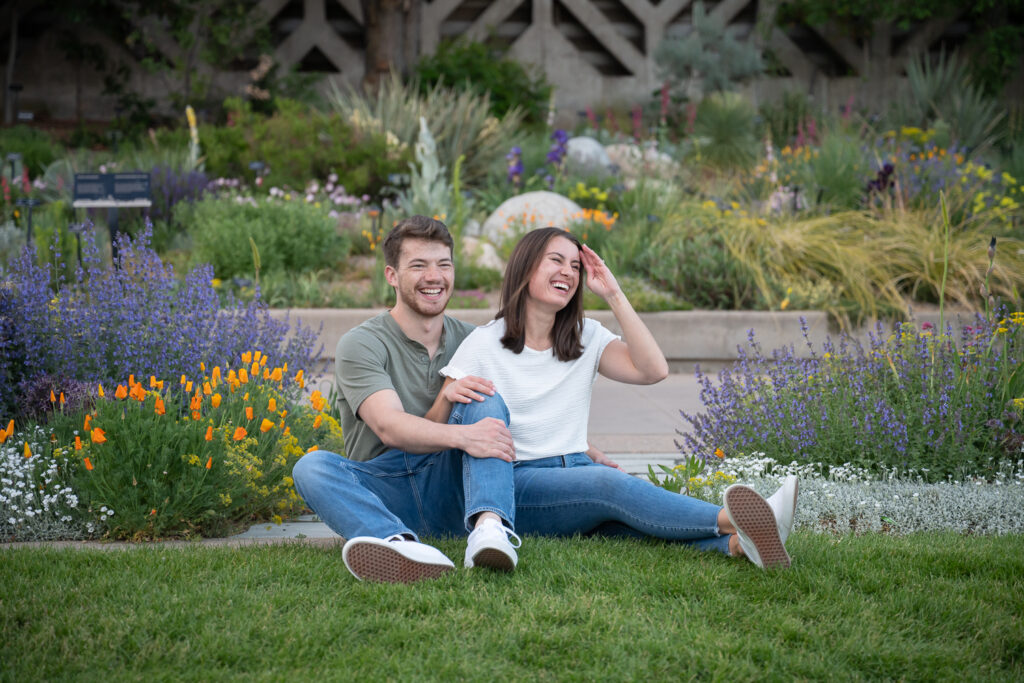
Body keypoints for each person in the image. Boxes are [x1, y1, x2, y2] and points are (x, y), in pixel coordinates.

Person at [431, 227, 799, 570]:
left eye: (575, 266)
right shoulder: (484, 343)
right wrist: (447, 396)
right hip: (520, 484)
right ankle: (739, 519)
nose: (568, 272)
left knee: (623, 523)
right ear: (525, 269)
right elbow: (433, 432)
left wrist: (613, 294)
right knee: (609, 486)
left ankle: (735, 545)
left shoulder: (585, 337)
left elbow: (653, 370)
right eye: (556, 260)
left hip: (576, 469)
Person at [292, 215, 525, 583]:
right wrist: (464, 433)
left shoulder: (475, 340)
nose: (434, 277)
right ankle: (396, 542)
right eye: (418, 265)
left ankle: (489, 529)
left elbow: (521, 406)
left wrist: (582, 449)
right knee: (311, 467)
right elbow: (390, 427)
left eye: (443, 265)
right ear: (391, 275)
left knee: (484, 400)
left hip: (453, 487)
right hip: (384, 487)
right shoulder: (362, 343)